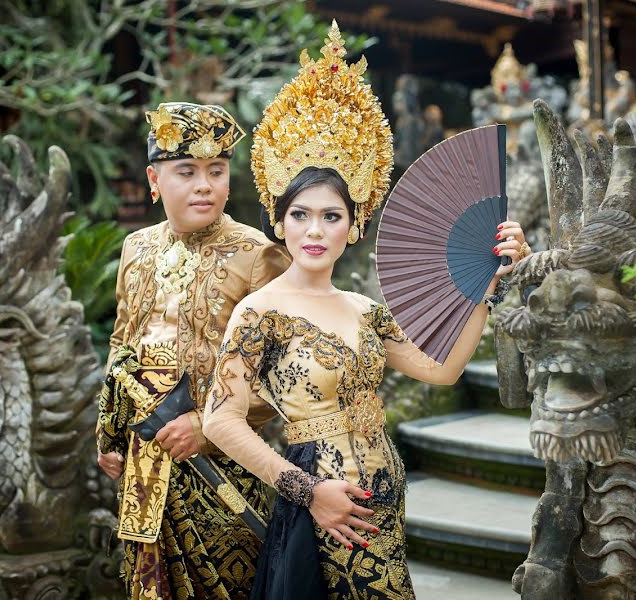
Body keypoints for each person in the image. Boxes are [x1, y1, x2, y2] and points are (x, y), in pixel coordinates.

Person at [202, 22, 529, 599]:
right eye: (300, 214)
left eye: (332, 216)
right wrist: (307, 492)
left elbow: (442, 370)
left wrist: (486, 286)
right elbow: (219, 420)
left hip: (386, 499)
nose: (315, 229)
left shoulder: (363, 308)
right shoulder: (259, 310)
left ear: (353, 227)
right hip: (322, 504)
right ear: (278, 221)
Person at [96, 101, 290, 599]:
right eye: (186, 171)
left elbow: (281, 374)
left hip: (223, 469)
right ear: (154, 180)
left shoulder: (258, 253)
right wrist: (110, 431)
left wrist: (207, 427)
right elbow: (122, 346)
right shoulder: (136, 247)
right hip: (146, 456)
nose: (204, 184)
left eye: (216, 171)